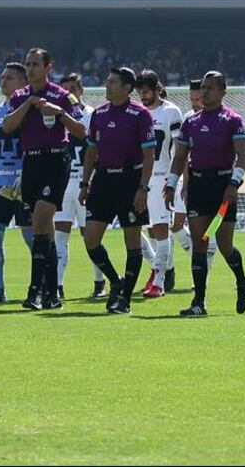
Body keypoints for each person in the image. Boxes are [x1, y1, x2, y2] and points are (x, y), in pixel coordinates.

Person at [3, 48, 86, 310]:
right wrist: (28, 105)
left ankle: (34, 291)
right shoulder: (19, 96)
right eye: (28, 64)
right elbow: (7, 126)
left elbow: (82, 131)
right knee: (44, 229)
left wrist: (59, 113)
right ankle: (52, 293)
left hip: (55, 160)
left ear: (48, 67)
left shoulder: (62, 96)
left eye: (36, 64)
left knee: (40, 220)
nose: (30, 69)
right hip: (31, 162)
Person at [164, 71, 245, 317]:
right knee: (199, 243)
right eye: (203, 87)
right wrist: (172, 184)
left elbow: (243, 155)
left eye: (210, 88)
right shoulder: (190, 122)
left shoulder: (233, 120)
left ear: (223, 91)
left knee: (225, 246)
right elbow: (180, 156)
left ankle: (242, 282)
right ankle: (199, 302)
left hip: (223, 187)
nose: (205, 92)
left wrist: (234, 183)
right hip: (198, 187)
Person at [78, 67, 156, 314]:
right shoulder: (99, 115)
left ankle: (125, 300)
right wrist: (84, 182)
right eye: (107, 81)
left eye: (112, 82)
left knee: (132, 242)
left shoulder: (140, 115)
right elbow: (91, 151)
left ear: (127, 88)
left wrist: (143, 188)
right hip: (102, 181)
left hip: (130, 181)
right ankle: (115, 282)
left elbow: (149, 154)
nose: (107, 86)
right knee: (91, 238)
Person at [0, 63, 33, 303]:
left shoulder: (32, 110)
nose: (3, 82)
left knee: (32, 240)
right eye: (2, 77)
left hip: (25, 184)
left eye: (10, 78)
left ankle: (43, 285)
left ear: (23, 83)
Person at [53, 73, 103, 298]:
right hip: (64, 184)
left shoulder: (92, 115)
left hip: (87, 183)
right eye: (65, 90)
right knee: (60, 237)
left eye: (73, 88)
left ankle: (99, 282)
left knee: (90, 236)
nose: (70, 94)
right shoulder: (58, 116)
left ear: (81, 90)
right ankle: (58, 286)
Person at [136, 70, 185, 298]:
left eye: (146, 92)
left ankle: (159, 281)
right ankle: (157, 270)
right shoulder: (137, 112)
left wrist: (177, 181)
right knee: (141, 230)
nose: (143, 96)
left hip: (161, 178)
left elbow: (180, 150)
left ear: (157, 88)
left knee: (161, 230)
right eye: (140, 93)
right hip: (139, 180)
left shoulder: (171, 112)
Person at [167, 79, 201, 281]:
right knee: (177, 225)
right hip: (187, 179)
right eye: (192, 99)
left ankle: (204, 261)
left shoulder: (225, 119)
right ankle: (199, 258)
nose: (195, 103)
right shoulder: (188, 120)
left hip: (212, 182)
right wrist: (184, 184)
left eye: (198, 99)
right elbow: (182, 156)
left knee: (210, 229)